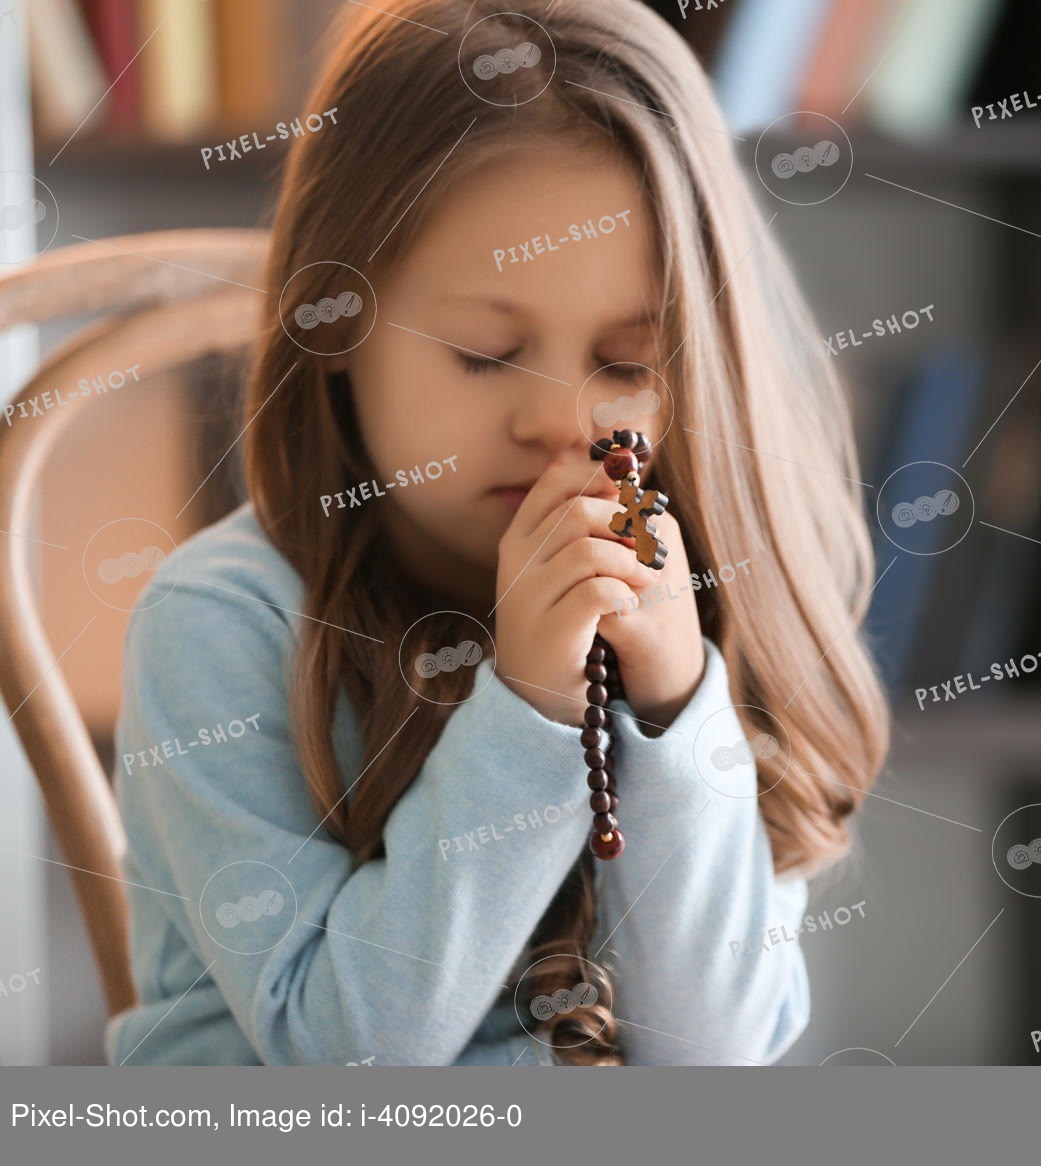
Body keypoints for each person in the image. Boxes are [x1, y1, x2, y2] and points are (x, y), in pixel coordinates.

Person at [107, 0, 887, 1066]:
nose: (562, 420)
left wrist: (671, 705)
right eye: (483, 352)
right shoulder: (221, 624)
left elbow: (714, 1056)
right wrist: (529, 703)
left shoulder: (713, 592)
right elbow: (351, 1060)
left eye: (627, 362)